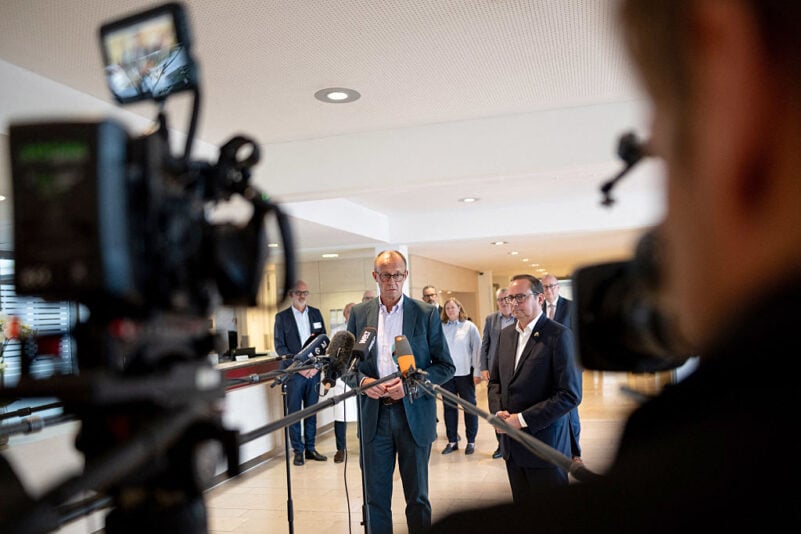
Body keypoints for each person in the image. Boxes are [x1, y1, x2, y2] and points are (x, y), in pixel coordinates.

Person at [431, 1, 801, 531]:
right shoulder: (500, 331)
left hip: (547, 442)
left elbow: (568, 394)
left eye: (660, 147)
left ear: (730, 75)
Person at [345, 250, 455, 534]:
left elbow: (445, 366)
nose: (391, 281)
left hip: (413, 417)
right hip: (374, 417)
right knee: (374, 499)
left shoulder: (426, 313)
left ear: (405, 276)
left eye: (397, 275)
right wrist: (363, 383)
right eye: (385, 275)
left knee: (417, 498)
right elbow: (346, 365)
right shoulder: (359, 314)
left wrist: (408, 388)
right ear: (375, 277)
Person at [489, 274, 581, 501]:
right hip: (512, 447)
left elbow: (569, 394)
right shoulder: (506, 335)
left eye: (520, 297)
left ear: (540, 298)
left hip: (545, 446)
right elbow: (495, 382)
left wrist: (521, 420)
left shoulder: (558, 335)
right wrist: (499, 412)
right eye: (510, 298)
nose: (514, 304)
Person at [273, 280, 328, 466]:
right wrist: (298, 367)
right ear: (291, 294)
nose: (302, 295)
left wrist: (315, 367)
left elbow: (323, 342)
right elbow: (280, 347)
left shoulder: (315, 313)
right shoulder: (282, 317)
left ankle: (311, 448)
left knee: (311, 412)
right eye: (298, 292)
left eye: (305, 292)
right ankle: (298, 450)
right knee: (294, 413)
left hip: (314, 372)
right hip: (295, 373)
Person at [541, 273, 583, 463]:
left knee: (570, 409)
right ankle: (557, 449)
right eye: (545, 287)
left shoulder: (571, 307)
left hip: (569, 366)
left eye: (551, 286)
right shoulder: (538, 308)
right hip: (546, 367)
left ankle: (575, 453)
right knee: (552, 407)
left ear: (558, 287)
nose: (548, 290)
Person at [439, 297, 482, 456]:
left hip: (465, 374)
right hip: (447, 376)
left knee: (469, 407)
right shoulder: (441, 327)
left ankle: (471, 441)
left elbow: (477, 350)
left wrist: (477, 372)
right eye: (447, 308)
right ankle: (452, 441)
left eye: (453, 307)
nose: (450, 310)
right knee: (449, 408)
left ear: (459, 308)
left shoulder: (469, 326)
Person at [478, 287, 515, 459]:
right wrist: (483, 368)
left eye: (507, 298)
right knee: (496, 409)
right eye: (500, 299)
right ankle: (501, 445)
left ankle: (515, 443)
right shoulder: (491, 319)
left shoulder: (518, 316)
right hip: (495, 371)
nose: (504, 302)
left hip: (514, 369)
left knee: (513, 408)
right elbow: (485, 344)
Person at [329, 302, 357, 463]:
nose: (351, 314)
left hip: (360, 377)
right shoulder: (337, 332)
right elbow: (332, 355)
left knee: (363, 413)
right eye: (348, 311)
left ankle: (366, 446)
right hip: (341, 378)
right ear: (344, 314)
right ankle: (340, 449)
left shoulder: (363, 329)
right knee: (340, 414)